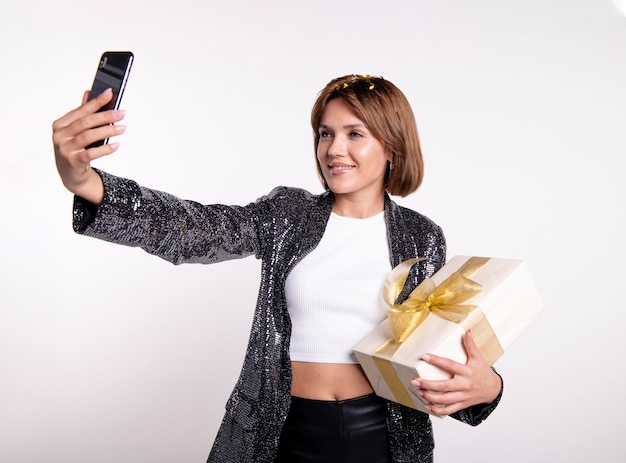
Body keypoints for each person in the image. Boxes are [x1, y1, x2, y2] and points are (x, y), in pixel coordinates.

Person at [52, 74, 503, 463]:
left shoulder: (423, 237)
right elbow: (198, 230)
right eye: (325, 134)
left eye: (354, 134)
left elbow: (439, 353)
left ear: (392, 146)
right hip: (282, 427)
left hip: (383, 435)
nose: (334, 149)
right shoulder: (288, 213)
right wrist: (86, 182)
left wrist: (490, 388)